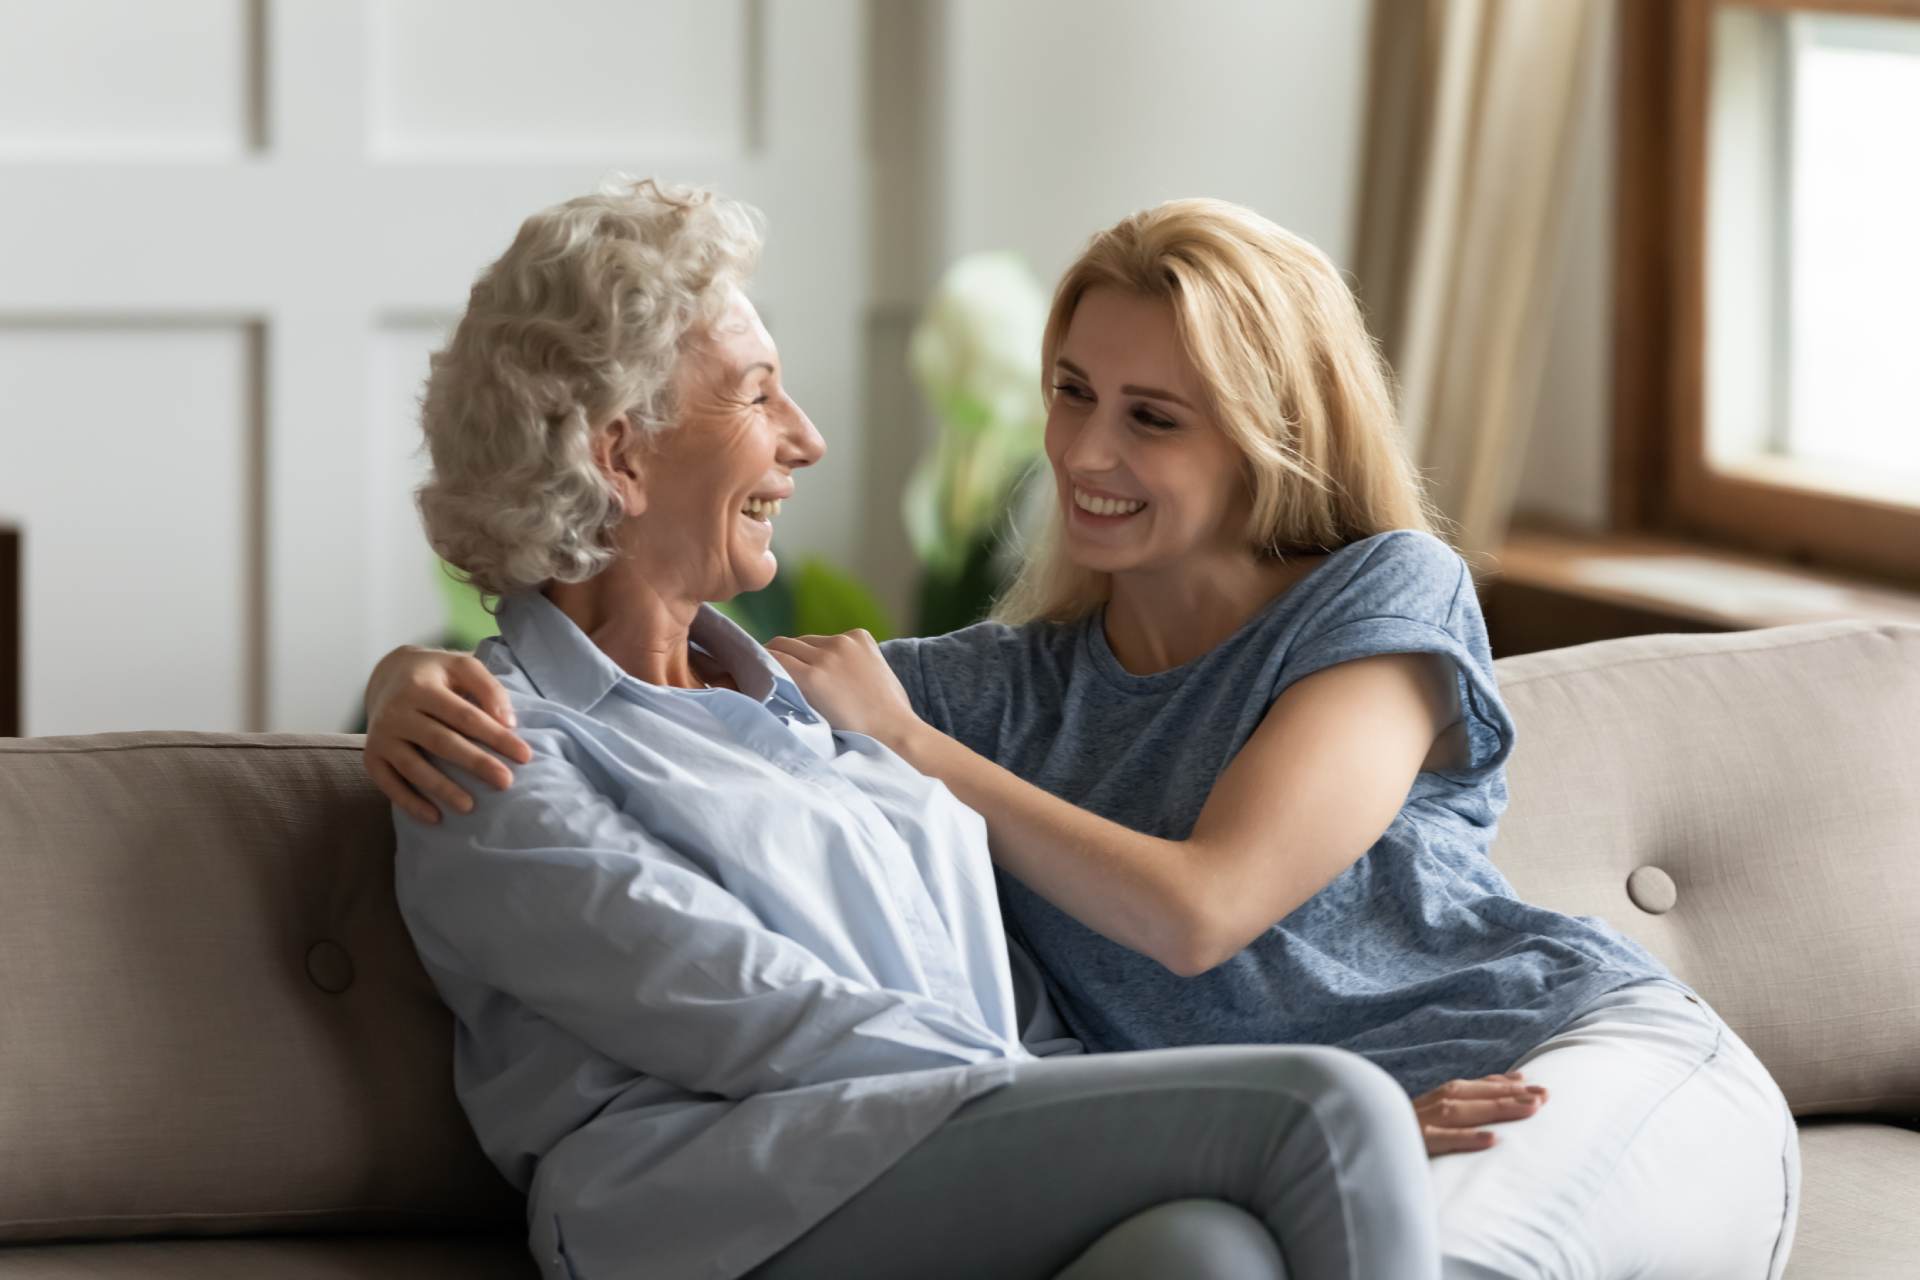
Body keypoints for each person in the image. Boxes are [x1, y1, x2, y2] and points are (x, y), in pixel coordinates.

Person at [369, 192, 1800, 1278]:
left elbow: (1201, 914)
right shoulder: (957, 694)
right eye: (1072, 393)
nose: (1087, 454)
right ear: (619, 451)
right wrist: (405, 683)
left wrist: (926, 756)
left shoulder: (1375, 598)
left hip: (1553, 1052)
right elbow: (655, 742)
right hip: (1148, 1143)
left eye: (1154, 417)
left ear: (1264, 430)